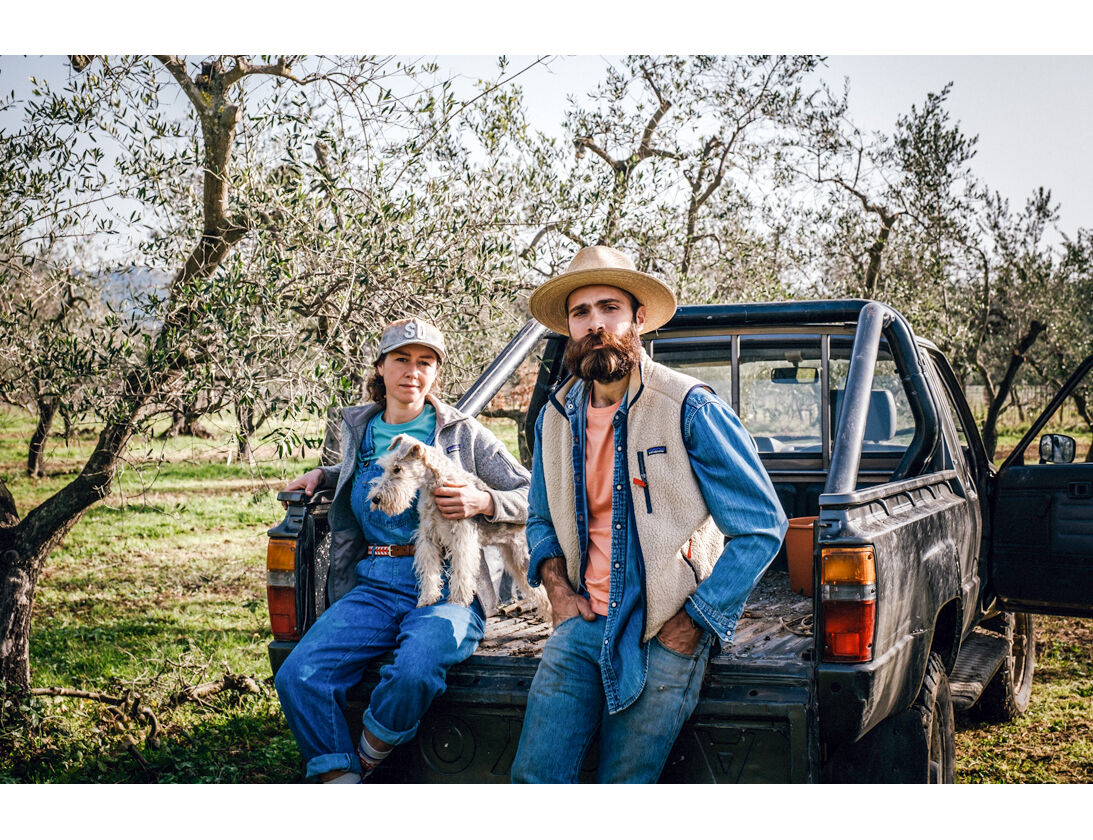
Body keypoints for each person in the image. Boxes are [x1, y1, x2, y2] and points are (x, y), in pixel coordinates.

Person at [510, 245, 788, 783]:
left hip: (664, 630)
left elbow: (760, 525)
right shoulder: (555, 417)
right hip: (583, 622)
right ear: (569, 327)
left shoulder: (688, 406)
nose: (596, 324)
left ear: (637, 317)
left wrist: (695, 623)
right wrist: (558, 591)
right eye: (581, 312)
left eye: (609, 307)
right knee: (533, 783)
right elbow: (541, 521)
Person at [274, 317, 530, 783]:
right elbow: (362, 477)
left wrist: (485, 500)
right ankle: (338, 778)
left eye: (425, 362)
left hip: (449, 585)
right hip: (373, 582)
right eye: (402, 359)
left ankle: (368, 755)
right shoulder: (357, 426)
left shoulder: (461, 432)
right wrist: (323, 477)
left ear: (435, 373)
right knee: (299, 676)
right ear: (381, 367)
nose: (413, 370)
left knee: (415, 669)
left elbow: (531, 492)